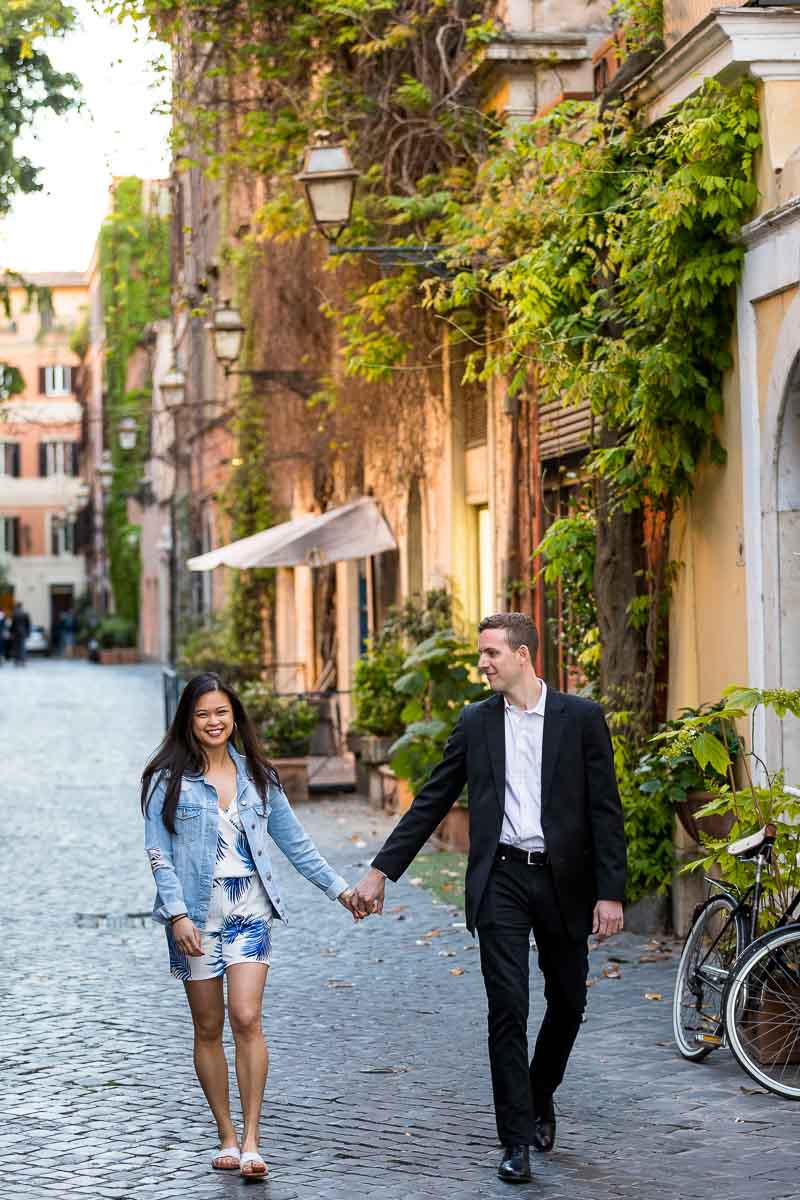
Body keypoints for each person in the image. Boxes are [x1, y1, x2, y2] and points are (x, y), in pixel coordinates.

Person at [351, 612, 626, 1185]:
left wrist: (610, 893)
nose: (483, 664)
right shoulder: (476, 723)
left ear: (523, 656)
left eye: (491, 654)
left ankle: (537, 1091)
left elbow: (605, 811)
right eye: (482, 654)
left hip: (562, 880)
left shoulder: (581, 720)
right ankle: (515, 1140)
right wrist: (381, 871)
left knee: (569, 1002)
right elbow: (432, 799)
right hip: (500, 877)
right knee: (508, 1008)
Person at [142, 672, 363, 1179]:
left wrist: (342, 890)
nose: (213, 722)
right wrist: (176, 914)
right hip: (194, 916)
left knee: (245, 1016)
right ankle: (224, 1134)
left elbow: (297, 843)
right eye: (202, 714)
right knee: (207, 1026)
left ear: (234, 717)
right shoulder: (166, 780)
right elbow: (158, 853)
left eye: (221, 712)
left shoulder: (258, 776)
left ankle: (253, 1139)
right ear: (188, 721)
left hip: (250, 910)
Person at [9, 602, 30, 667]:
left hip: (15, 633)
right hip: (23, 633)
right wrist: (28, 633)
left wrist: (11, 633)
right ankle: (23, 661)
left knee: (16, 647)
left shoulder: (14, 614)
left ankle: (16, 661)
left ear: (16, 607)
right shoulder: (25, 614)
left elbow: (12, 625)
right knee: (22, 647)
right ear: (21, 606)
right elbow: (28, 624)